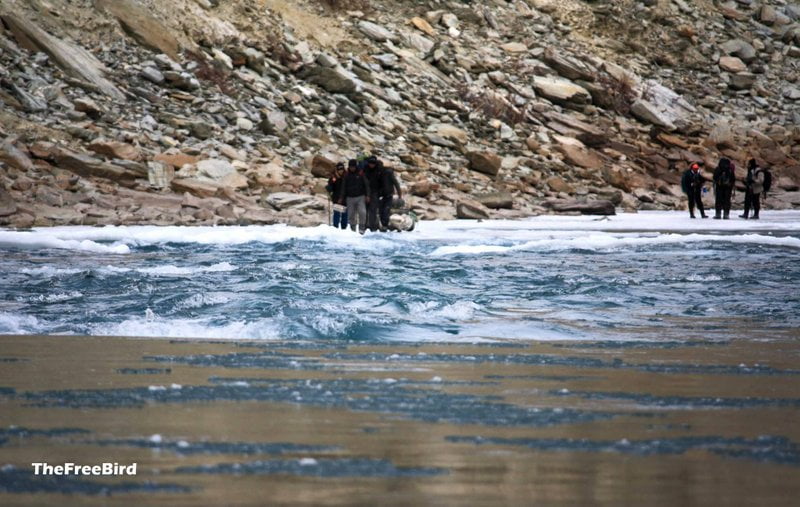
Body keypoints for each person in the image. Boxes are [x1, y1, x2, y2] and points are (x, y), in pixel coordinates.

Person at [342, 159, 370, 234]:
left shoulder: (361, 173)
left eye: (353, 167)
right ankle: (352, 228)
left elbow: (366, 185)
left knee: (362, 212)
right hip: (349, 197)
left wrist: (368, 195)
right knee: (351, 214)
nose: (352, 168)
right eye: (351, 167)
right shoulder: (346, 175)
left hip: (360, 196)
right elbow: (343, 186)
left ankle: (362, 227)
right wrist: (342, 197)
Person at [377, 163, 402, 232]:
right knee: (381, 211)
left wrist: (399, 194)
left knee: (386, 210)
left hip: (388, 195)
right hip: (381, 195)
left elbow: (396, 183)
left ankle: (385, 225)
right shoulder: (377, 173)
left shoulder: (388, 173)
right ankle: (384, 225)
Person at [325, 162, 348, 229]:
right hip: (336, 197)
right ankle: (335, 227)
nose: (341, 171)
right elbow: (331, 185)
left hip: (344, 197)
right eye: (339, 169)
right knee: (337, 213)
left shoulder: (346, 177)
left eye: (342, 169)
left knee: (344, 213)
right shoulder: (333, 177)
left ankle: (344, 227)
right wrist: (329, 188)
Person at [363, 156, 382, 232]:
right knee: (365, 210)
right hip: (366, 192)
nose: (371, 165)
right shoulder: (366, 169)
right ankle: (365, 225)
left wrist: (380, 193)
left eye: (373, 164)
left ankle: (372, 226)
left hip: (375, 192)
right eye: (370, 163)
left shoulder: (379, 170)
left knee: (373, 210)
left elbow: (381, 182)